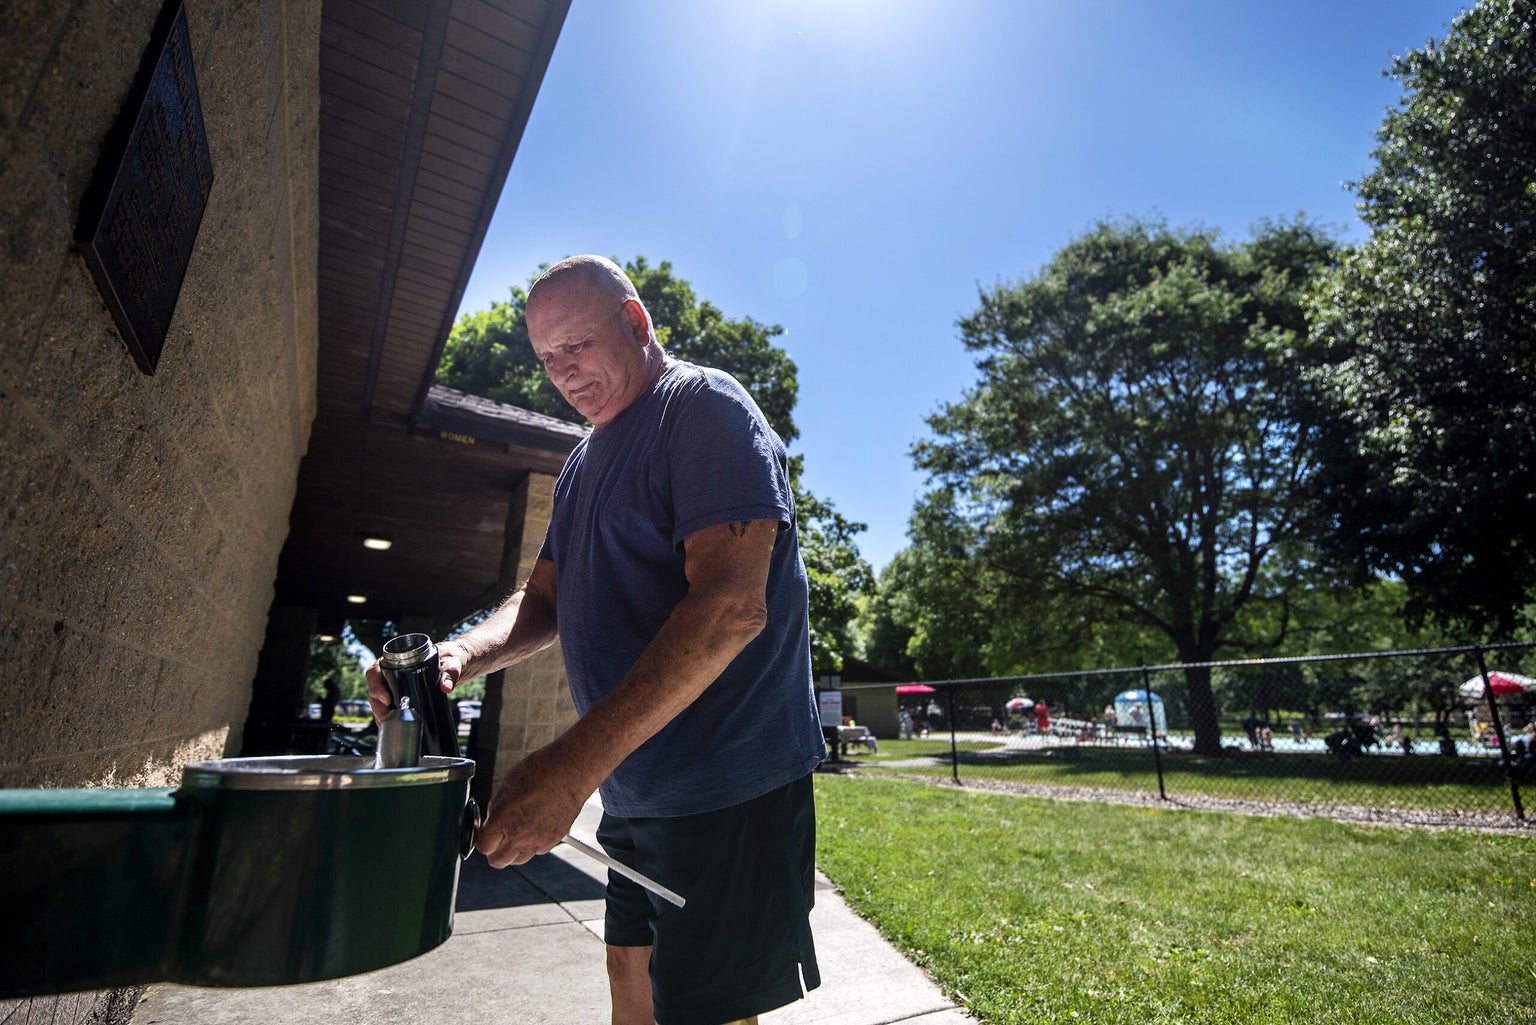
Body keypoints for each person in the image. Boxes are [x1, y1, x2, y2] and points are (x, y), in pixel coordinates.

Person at [367, 256, 825, 1025]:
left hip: (728, 787)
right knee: (631, 993)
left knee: (703, 1011)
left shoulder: (703, 407)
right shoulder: (581, 463)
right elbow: (542, 597)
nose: (563, 371)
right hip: (635, 787)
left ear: (636, 322)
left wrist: (567, 769)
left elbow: (731, 607)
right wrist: (458, 656)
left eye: (577, 344)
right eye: (548, 358)